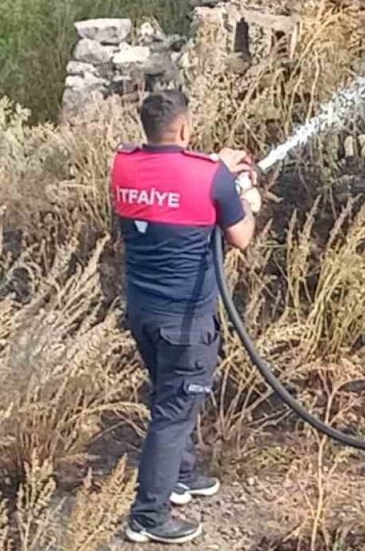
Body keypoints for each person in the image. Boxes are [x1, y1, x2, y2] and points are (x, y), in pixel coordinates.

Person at [110, 90, 260, 544]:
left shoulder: (124, 165)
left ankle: (181, 475)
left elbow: (174, 178)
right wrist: (244, 191)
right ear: (186, 127)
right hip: (186, 321)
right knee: (172, 412)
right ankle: (149, 517)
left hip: (142, 311)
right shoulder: (211, 179)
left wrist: (216, 167)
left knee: (172, 394)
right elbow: (242, 237)